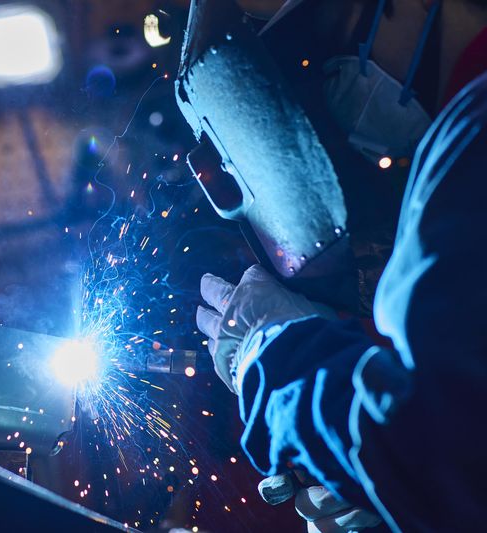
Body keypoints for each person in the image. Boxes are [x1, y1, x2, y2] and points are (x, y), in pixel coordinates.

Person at [196, 1, 487, 531]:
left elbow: (443, 455)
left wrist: (279, 360)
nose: (328, 70)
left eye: (333, 23)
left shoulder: (476, 132)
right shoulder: (456, 135)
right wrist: (362, 379)